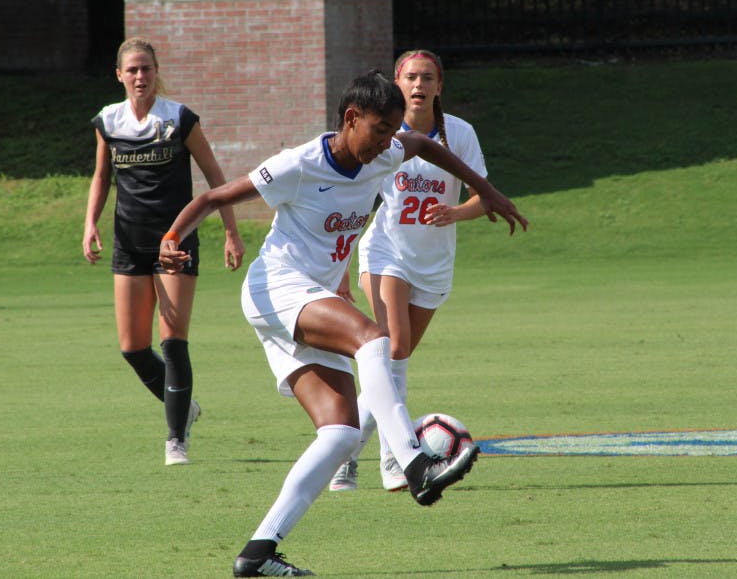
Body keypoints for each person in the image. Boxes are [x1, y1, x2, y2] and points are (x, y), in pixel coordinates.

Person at [159, 70, 528, 577]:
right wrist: (172, 238)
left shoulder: (387, 149)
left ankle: (258, 553)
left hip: (305, 300)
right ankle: (416, 464)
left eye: (393, 129)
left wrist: (489, 193)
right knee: (375, 340)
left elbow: (423, 145)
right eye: (381, 129)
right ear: (351, 119)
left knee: (339, 434)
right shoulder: (300, 164)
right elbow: (213, 198)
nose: (389, 141)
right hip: (277, 289)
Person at [329, 49, 511, 493]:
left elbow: (481, 197)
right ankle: (397, 461)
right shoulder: (385, 133)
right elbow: (354, 202)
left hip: (433, 265)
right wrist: (341, 267)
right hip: (386, 253)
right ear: (397, 81)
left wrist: (455, 213)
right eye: (410, 76)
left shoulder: (459, 133)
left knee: (391, 365)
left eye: (427, 77)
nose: (418, 84)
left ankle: (344, 453)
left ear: (439, 86)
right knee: (395, 350)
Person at [83, 37, 245, 466]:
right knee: (134, 349)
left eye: (147, 69)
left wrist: (231, 232)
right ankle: (186, 408)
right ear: (119, 75)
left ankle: (176, 439)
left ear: (157, 73)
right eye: (132, 70)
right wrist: (89, 225)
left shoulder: (179, 119)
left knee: (172, 342)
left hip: (175, 242)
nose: (140, 77)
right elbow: (102, 178)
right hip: (128, 243)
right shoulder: (108, 121)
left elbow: (216, 180)